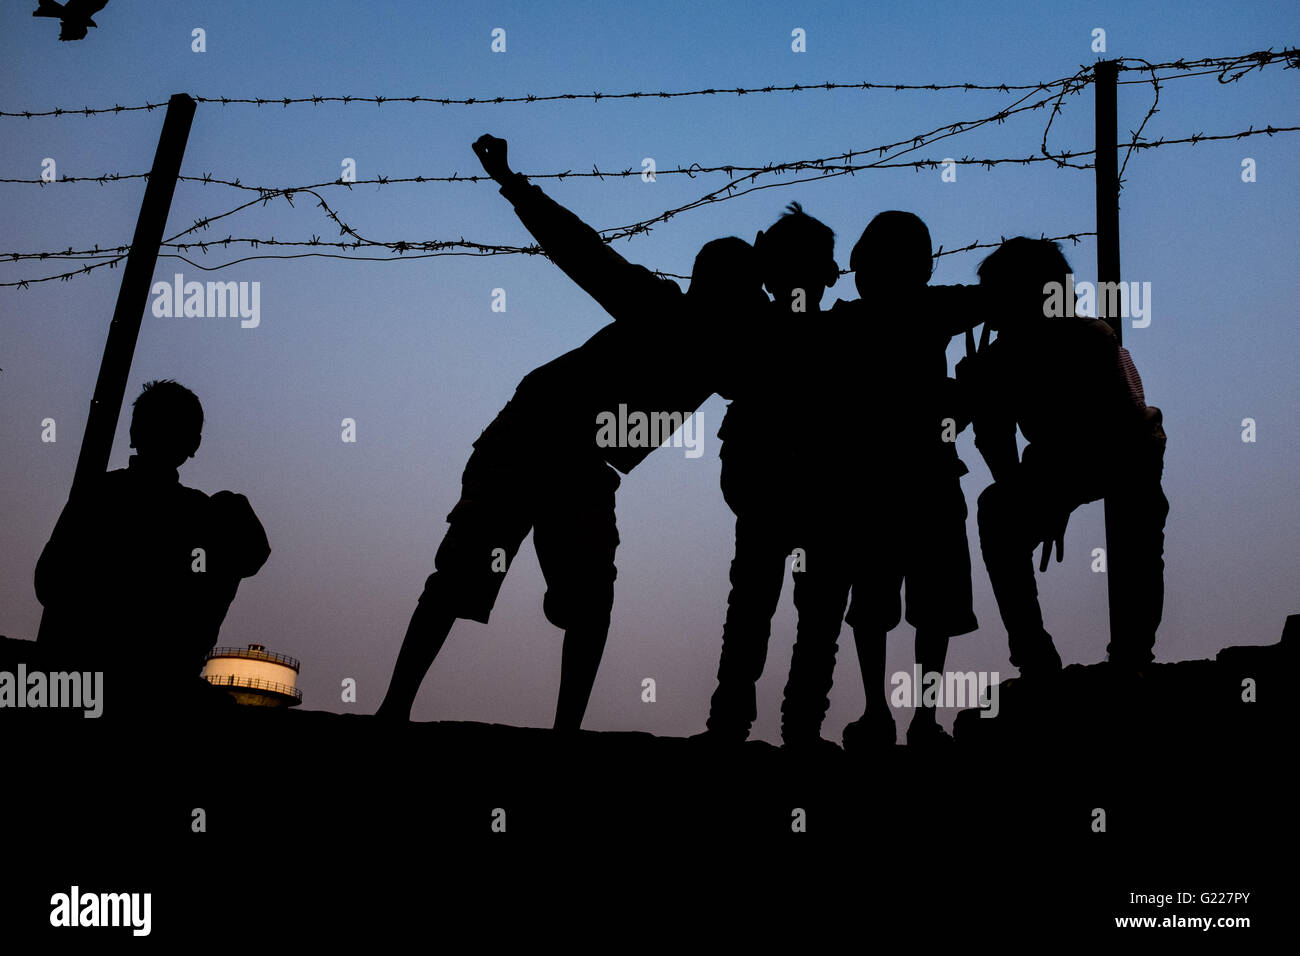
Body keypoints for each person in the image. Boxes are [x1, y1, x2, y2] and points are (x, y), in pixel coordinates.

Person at [378, 134, 765, 731]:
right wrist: (513, 184)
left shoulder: (724, 351)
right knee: (469, 574)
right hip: (532, 440)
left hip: (576, 463)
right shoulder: (667, 313)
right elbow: (579, 251)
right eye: (745, 293)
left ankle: (547, 729)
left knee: (580, 596)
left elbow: (780, 357)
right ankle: (399, 709)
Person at [790, 211, 987, 749]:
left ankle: (879, 712)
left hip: (868, 486)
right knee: (931, 606)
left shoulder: (845, 324)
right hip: (926, 479)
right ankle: (921, 718)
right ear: (921, 266)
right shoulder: (931, 309)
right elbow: (986, 298)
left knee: (875, 605)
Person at [957, 237, 1168, 676]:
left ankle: (1130, 653)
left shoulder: (1090, 339)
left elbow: (1122, 434)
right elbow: (997, 444)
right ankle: (1036, 655)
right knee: (997, 511)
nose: (984, 305)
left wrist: (1048, 496)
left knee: (1138, 520)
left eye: (993, 292)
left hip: (1128, 450)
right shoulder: (1002, 358)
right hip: (1063, 459)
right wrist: (979, 400)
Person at [700, 201, 846, 749]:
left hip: (771, 482)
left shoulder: (754, 324)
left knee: (756, 603)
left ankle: (734, 723)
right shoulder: (835, 333)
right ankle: (795, 727)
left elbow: (731, 380)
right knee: (812, 611)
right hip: (813, 487)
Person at [35, 379, 270, 713]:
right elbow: (252, 557)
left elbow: (48, 583)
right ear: (194, 444)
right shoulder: (202, 515)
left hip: (85, 675)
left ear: (133, 433)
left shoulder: (97, 495)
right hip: (158, 682)